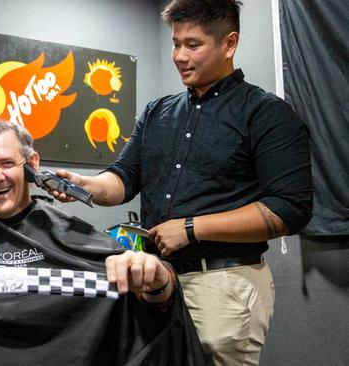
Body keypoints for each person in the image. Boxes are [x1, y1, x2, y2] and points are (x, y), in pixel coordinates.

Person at [48, 1, 313, 365]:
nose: (178, 56)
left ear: (229, 44)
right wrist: (85, 185)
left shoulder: (267, 114)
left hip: (223, 285)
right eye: (175, 44)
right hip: (155, 281)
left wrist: (191, 229)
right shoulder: (158, 111)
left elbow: (290, 208)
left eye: (193, 45)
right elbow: (124, 179)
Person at [0, 120, 206, 365]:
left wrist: (158, 279)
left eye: (6, 163)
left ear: (32, 164)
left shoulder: (69, 233)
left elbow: (156, 301)